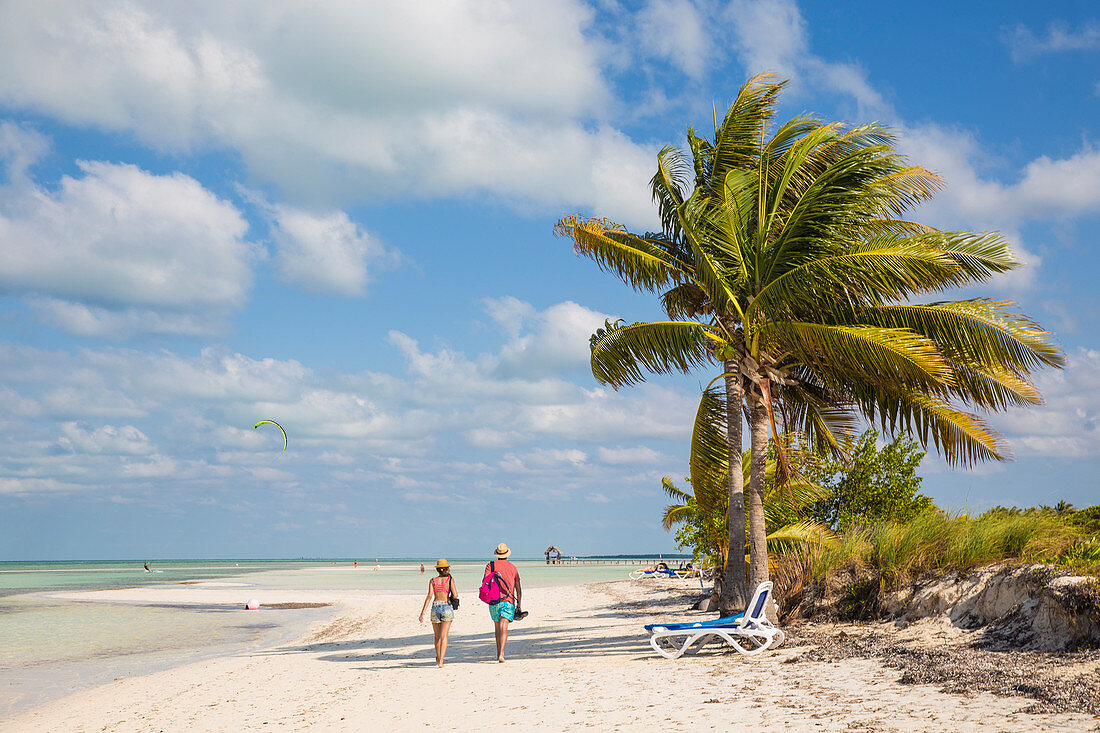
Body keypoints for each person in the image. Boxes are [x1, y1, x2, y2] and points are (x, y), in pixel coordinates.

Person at [484, 543, 524, 663]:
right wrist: (519, 604)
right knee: (504, 627)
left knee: (497, 628)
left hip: (493, 601)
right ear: (507, 554)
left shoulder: (490, 566)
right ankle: (501, 654)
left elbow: (485, 581)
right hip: (508, 601)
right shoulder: (513, 568)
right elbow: (518, 588)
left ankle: (498, 653)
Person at [419, 559, 457, 667]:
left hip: (435, 607)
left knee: (437, 637)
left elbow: (429, 597)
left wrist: (422, 613)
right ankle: (441, 661)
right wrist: (448, 598)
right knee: (444, 636)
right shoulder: (450, 579)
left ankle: (438, 657)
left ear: (437, 569)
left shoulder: (432, 580)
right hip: (446, 607)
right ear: (446, 568)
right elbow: (455, 594)